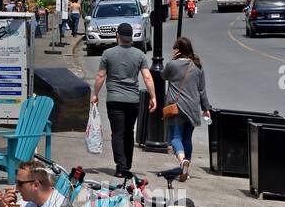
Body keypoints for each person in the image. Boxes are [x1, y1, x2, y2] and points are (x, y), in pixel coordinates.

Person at [90, 22, 157, 177]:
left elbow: (101, 75)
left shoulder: (108, 53)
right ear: (131, 37)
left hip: (114, 99)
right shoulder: (139, 54)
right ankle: (127, 165)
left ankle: (121, 167)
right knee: (128, 132)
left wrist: (95, 94)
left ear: (117, 36)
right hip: (133, 100)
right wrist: (153, 96)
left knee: (117, 133)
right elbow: (147, 77)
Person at [162, 36, 210, 181]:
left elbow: (163, 75)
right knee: (187, 138)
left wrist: (172, 60)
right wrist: (206, 108)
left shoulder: (173, 65)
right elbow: (202, 90)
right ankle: (186, 171)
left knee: (175, 137)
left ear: (178, 50)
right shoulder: (197, 67)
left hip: (177, 108)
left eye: (175, 48)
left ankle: (183, 161)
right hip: (193, 108)